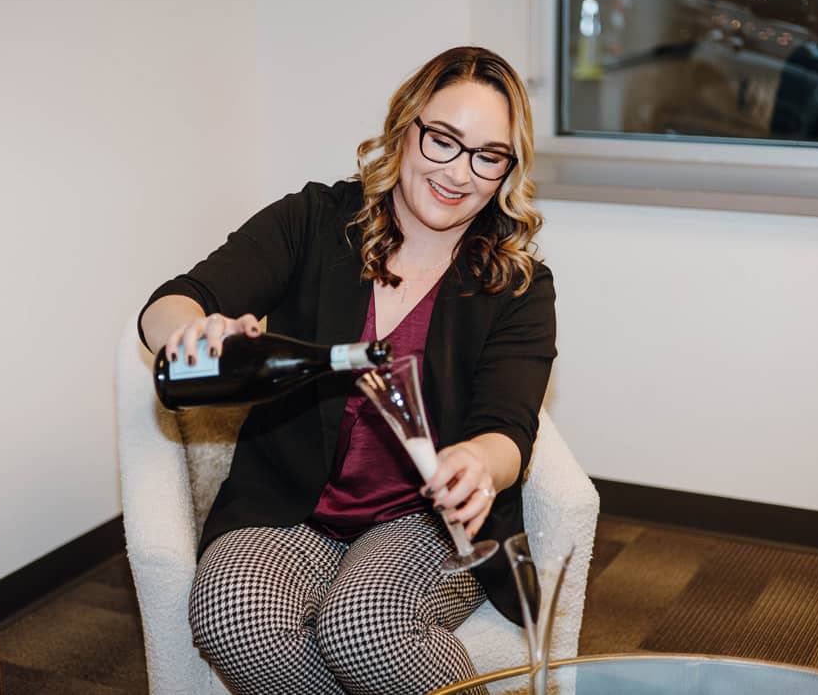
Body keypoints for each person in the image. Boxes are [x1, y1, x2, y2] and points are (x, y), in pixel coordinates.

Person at [138, 46, 556, 695]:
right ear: (407, 125)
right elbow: (173, 302)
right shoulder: (315, 222)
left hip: (427, 520)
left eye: (487, 155)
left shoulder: (518, 285)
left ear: (508, 169)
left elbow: (509, 429)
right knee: (228, 611)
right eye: (443, 140)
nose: (459, 172)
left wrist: (479, 459)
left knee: (362, 623)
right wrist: (192, 329)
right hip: (292, 508)